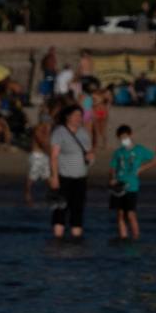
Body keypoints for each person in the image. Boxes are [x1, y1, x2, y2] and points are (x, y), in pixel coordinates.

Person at [49, 103, 93, 240]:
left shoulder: (83, 133)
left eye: (81, 115)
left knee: (78, 208)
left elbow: (89, 153)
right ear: (68, 117)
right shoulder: (59, 132)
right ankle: (58, 238)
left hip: (81, 177)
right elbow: (54, 156)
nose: (79, 118)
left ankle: (76, 237)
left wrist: (90, 158)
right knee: (61, 208)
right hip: (64, 176)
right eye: (76, 115)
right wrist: (54, 177)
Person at [107, 125, 156, 241]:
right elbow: (112, 167)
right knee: (120, 214)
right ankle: (123, 237)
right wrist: (112, 178)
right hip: (119, 186)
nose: (123, 140)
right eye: (121, 138)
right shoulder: (118, 152)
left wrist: (142, 168)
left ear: (130, 135)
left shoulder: (139, 149)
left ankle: (135, 237)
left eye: (125, 137)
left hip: (132, 186)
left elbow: (155, 160)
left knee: (130, 214)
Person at [25, 111, 51, 206]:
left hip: (44, 155)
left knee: (47, 176)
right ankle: (27, 195)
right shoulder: (38, 129)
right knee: (32, 177)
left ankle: (52, 194)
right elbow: (42, 143)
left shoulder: (45, 129)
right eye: (47, 122)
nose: (49, 124)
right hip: (36, 155)